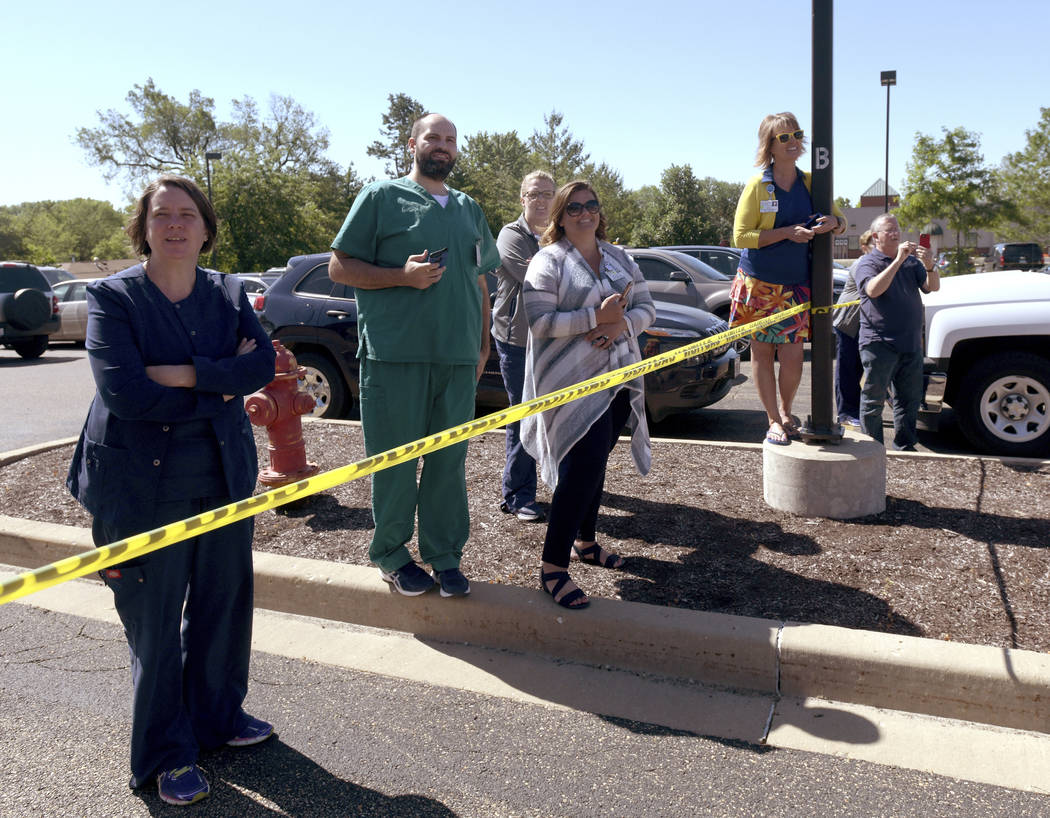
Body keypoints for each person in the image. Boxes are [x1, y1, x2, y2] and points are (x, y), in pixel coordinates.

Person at [66, 175, 278, 806]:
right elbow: (126, 394)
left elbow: (262, 365)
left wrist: (185, 374)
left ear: (206, 229)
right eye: (163, 216)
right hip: (139, 487)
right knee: (153, 625)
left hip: (221, 476)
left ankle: (217, 719)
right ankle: (164, 753)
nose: (177, 225)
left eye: (189, 215)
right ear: (145, 227)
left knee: (222, 607)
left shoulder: (227, 292)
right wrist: (219, 384)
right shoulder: (113, 297)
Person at [329, 113, 500, 599]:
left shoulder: (468, 208)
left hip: (457, 357)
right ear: (412, 144)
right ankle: (391, 554)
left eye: (449, 139)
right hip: (395, 357)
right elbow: (339, 267)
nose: (442, 146)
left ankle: (445, 557)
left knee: (449, 463)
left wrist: (483, 341)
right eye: (433, 138)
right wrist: (401, 276)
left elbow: (481, 278)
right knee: (395, 463)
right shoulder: (381, 196)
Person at [521, 181, 656, 610]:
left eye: (591, 205)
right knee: (580, 470)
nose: (585, 213)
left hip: (617, 377)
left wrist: (622, 326)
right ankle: (552, 568)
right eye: (575, 207)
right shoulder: (548, 261)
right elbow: (539, 322)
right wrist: (593, 318)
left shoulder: (620, 257)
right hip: (570, 384)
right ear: (560, 216)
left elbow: (647, 307)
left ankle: (586, 541)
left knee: (596, 463)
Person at [731, 112, 847, 445]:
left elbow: (841, 220)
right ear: (769, 144)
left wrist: (831, 223)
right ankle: (772, 421)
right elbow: (741, 236)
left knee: (794, 355)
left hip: (796, 286)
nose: (794, 141)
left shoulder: (811, 182)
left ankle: (786, 412)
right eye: (784, 137)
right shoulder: (758, 185)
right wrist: (785, 233)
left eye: (797, 134)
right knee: (763, 354)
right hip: (759, 284)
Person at [492, 171, 556, 523]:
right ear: (523, 199)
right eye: (534, 194)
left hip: (555, 340)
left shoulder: (560, 234)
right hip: (517, 341)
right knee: (523, 414)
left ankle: (560, 481)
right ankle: (518, 495)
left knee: (554, 415)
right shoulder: (510, 236)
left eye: (548, 194)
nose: (542, 200)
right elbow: (537, 279)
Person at [854, 213, 939, 450]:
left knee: (909, 400)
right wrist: (898, 260)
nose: (895, 233)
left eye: (897, 229)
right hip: (879, 343)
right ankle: (872, 448)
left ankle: (905, 444)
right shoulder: (868, 263)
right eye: (889, 230)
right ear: (875, 236)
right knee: (873, 400)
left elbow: (933, 287)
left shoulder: (912, 263)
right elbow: (872, 290)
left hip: (910, 344)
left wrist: (930, 265)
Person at [833, 229, 874, 429]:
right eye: (872, 244)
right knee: (848, 369)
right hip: (848, 322)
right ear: (865, 247)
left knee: (862, 367)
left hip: (865, 324)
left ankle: (859, 409)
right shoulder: (861, 264)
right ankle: (846, 413)